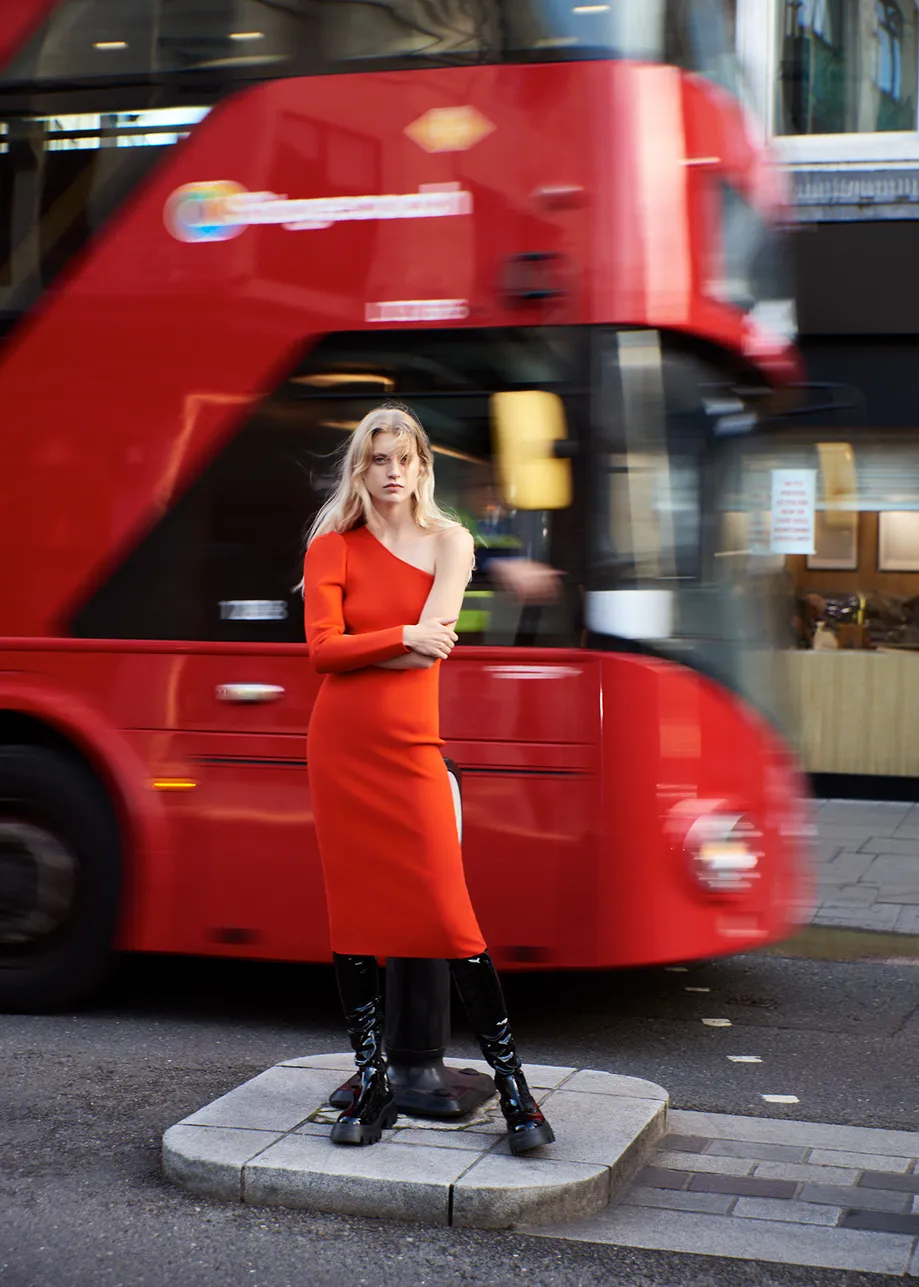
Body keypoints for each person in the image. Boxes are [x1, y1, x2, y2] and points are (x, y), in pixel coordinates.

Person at [301, 400, 555, 1155]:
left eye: (401, 458)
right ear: (360, 466)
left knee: (451, 916)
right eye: (375, 458)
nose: (389, 471)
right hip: (340, 746)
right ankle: (372, 1081)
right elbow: (321, 651)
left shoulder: (452, 540)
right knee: (351, 918)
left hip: (411, 746)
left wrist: (390, 639)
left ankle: (515, 1090)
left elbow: (432, 647)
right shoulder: (331, 546)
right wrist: (403, 634)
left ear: (421, 467)